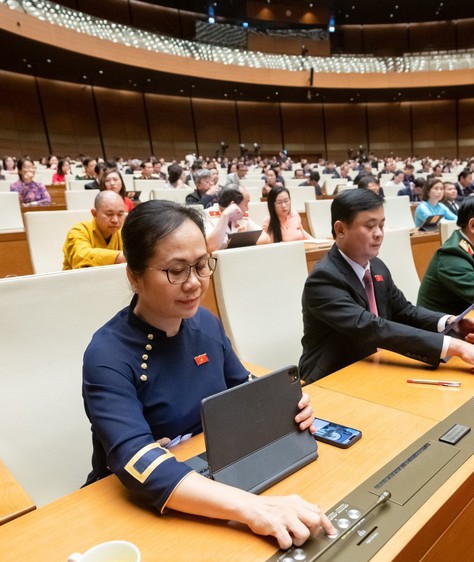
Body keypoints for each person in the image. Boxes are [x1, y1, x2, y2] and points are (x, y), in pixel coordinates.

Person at [82, 200, 335, 548]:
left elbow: (241, 390)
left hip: (217, 471)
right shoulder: (107, 354)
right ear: (134, 275)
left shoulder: (204, 323)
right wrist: (253, 508)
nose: (194, 284)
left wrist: (284, 405)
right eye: (176, 270)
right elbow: (138, 464)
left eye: (202, 266)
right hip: (142, 507)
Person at [299, 189, 474, 383]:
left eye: (382, 225)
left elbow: (404, 311)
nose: (379, 233)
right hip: (334, 375)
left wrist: (452, 323)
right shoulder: (324, 279)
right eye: (370, 226)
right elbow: (372, 328)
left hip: (378, 365)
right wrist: (456, 346)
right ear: (340, 230)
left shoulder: (376, 266)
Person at [62, 191, 127, 270]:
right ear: (94, 213)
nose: (115, 220)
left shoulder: (123, 233)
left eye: (120, 214)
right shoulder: (79, 230)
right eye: (109, 214)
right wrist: (118, 257)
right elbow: (80, 256)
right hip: (78, 280)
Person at [205, 186, 269, 252]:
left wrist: (243, 239)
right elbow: (211, 247)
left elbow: (266, 238)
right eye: (246, 205)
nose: (247, 209)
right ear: (233, 205)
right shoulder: (206, 215)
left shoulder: (241, 217)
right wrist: (225, 215)